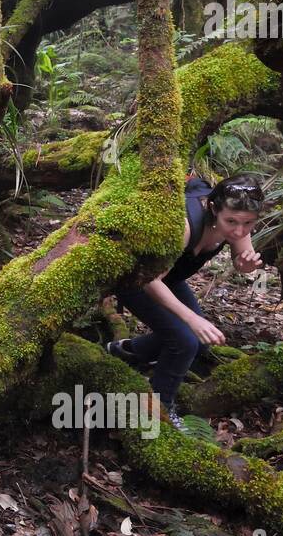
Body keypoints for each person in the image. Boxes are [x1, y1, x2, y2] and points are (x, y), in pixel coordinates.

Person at [104, 173, 266, 434]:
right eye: (231, 222)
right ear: (213, 208)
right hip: (136, 278)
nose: (238, 231)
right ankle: (158, 412)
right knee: (184, 342)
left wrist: (245, 267)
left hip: (169, 277)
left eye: (248, 223)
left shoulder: (238, 221)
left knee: (199, 341)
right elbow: (149, 280)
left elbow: (240, 260)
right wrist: (192, 318)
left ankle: (126, 351)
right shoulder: (186, 225)